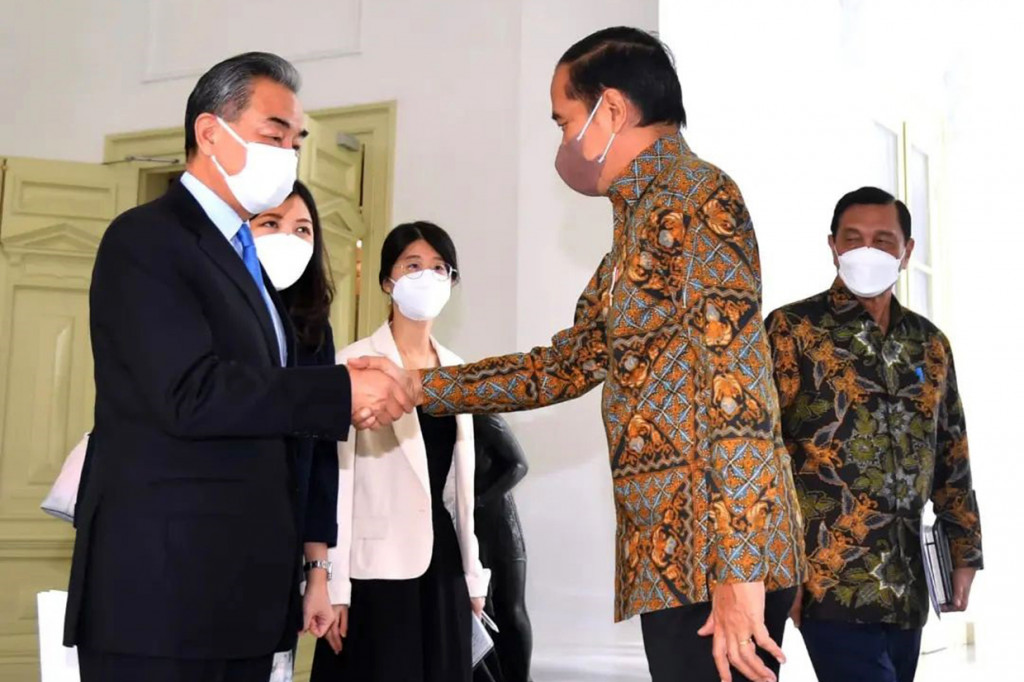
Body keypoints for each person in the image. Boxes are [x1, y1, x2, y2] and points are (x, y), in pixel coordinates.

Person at [354, 27, 804, 682]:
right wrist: (423, 384)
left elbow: (737, 386)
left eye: (566, 119)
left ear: (612, 110)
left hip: (715, 548)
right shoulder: (633, 230)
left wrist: (739, 572)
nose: (565, 138)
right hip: (674, 551)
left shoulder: (700, 200)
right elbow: (564, 365)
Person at [65, 52, 412, 682]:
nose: (289, 152)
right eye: (274, 134)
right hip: (162, 598)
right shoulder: (147, 239)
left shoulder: (248, 266)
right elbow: (188, 393)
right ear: (209, 133)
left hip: (240, 598)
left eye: (296, 140)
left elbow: (268, 410)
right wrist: (338, 391)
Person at [765, 187, 983, 682]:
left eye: (883, 240)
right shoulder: (793, 330)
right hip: (829, 575)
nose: (868, 251)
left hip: (908, 579)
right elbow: (763, 452)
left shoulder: (929, 343)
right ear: (833, 246)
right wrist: (780, 569)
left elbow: (952, 451)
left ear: (907, 252)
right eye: (854, 238)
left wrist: (963, 549)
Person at [312, 222, 490, 682]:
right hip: (375, 570)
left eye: (438, 268)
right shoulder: (354, 363)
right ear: (388, 281)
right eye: (413, 266)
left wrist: (473, 578)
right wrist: (333, 584)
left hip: (444, 566)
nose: (426, 276)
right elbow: (338, 480)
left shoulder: (456, 370)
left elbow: (460, 488)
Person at [251, 180, 342, 655]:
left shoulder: (313, 331)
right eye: (271, 223)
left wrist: (318, 576)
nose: (288, 238)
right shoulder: (213, 312)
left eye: (303, 229)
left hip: (280, 548)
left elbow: (320, 458)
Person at [471, 414, 533, 682]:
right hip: (474, 527)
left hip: (501, 527)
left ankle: (520, 676)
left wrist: (479, 499)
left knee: (511, 608)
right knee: (487, 609)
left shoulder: (483, 416)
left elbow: (519, 465)